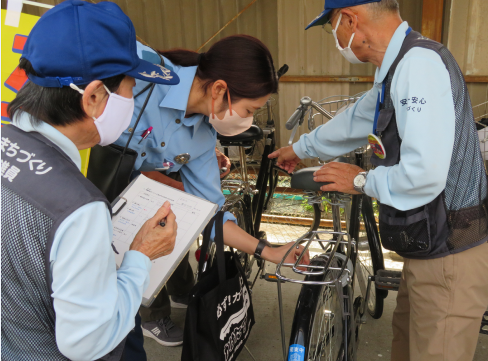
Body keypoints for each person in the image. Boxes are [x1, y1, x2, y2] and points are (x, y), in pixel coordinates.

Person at [269, 1, 488, 361]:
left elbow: (424, 173)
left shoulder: (418, 65)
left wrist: (359, 180)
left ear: (351, 20)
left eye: (332, 27)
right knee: (405, 346)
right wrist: (300, 147)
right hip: (428, 248)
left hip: (451, 254)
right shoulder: (399, 66)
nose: (335, 38)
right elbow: (358, 118)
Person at [1, 1, 180, 360]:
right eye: (131, 87)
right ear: (95, 97)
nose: (131, 102)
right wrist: (140, 257)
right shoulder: (77, 208)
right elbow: (87, 341)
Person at [113, 35, 310, 347]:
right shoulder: (140, 72)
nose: (248, 121)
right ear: (219, 89)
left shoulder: (202, 138)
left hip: (116, 222)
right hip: (67, 198)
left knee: (122, 336)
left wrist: (268, 251)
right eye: (248, 109)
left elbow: (212, 215)